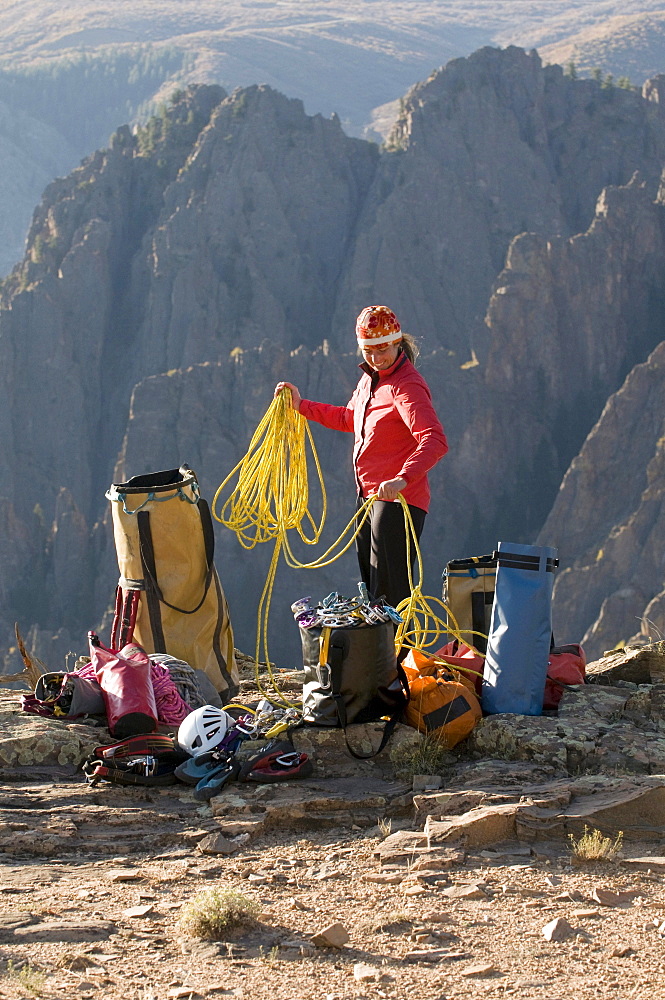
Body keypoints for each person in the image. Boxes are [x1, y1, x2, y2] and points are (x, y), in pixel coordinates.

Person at [275, 304, 448, 612]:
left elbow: (434, 439)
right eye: (368, 351)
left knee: (389, 589)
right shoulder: (371, 380)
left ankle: (397, 657)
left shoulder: (406, 386)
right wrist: (301, 406)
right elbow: (349, 418)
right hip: (369, 496)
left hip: (398, 500)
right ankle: (381, 656)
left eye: (382, 350)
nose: (376, 358)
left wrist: (402, 478)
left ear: (397, 342)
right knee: (372, 584)